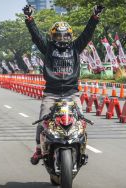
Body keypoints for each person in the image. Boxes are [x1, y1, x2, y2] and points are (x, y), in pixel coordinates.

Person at [23, 4, 104, 165]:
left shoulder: (75, 47)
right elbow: (36, 35)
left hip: (72, 93)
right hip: (51, 94)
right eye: (58, 36)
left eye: (65, 36)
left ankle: (81, 150)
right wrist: (29, 19)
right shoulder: (47, 47)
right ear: (53, 37)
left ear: (70, 36)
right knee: (42, 121)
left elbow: (87, 34)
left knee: (81, 121)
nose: (62, 39)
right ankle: (39, 148)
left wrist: (94, 17)